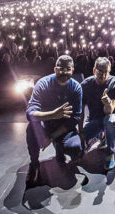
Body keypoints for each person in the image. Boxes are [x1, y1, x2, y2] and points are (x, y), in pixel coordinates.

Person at [24, 55, 83, 187]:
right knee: (31, 129)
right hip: (46, 125)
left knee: (75, 148)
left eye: (67, 69)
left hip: (64, 128)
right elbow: (30, 113)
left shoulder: (76, 88)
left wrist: (51, 137)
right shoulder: (43, 84)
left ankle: (60, 149)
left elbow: (75, 119)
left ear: (72, 71)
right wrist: (53, 115)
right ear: (55, 69)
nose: (64, 72)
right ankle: (34, 164)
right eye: (61, 69)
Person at [79, 56, 115, 170]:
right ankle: (100, 136)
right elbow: (81, 111)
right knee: (77, 149)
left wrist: (107, 102)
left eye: (106, 72)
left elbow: (109, 112)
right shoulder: (85, 85)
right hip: (94, 119)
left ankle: (109, 153)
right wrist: (81, 133)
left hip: (111, 117)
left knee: (110, 121)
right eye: (100, 71)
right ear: (94, 70)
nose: (103, 75)